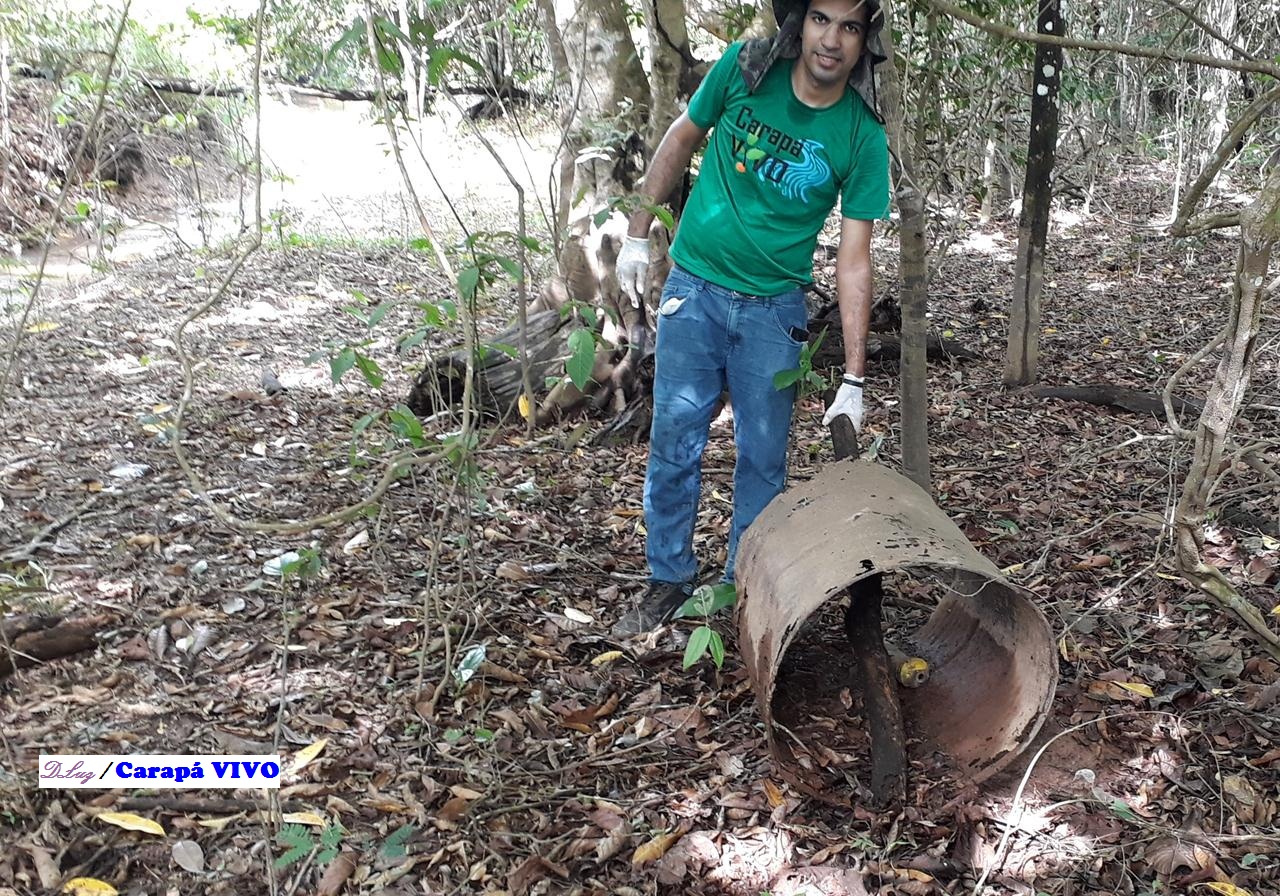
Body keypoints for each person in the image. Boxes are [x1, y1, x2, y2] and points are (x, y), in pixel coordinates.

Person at [612, 0, 891, 635]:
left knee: (763, 461)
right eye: (821, 19)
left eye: (850, 26)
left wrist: (853, 379)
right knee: (675, 441)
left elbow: (854, 259)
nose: (832, 39)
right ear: (800, 22)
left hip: (774, 309)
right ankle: (668, 579)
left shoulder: (860, 135)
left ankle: (743, 589)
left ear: (863, 42)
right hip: (695, 289)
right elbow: (681, 136)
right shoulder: (746, 68)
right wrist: (636, 233)